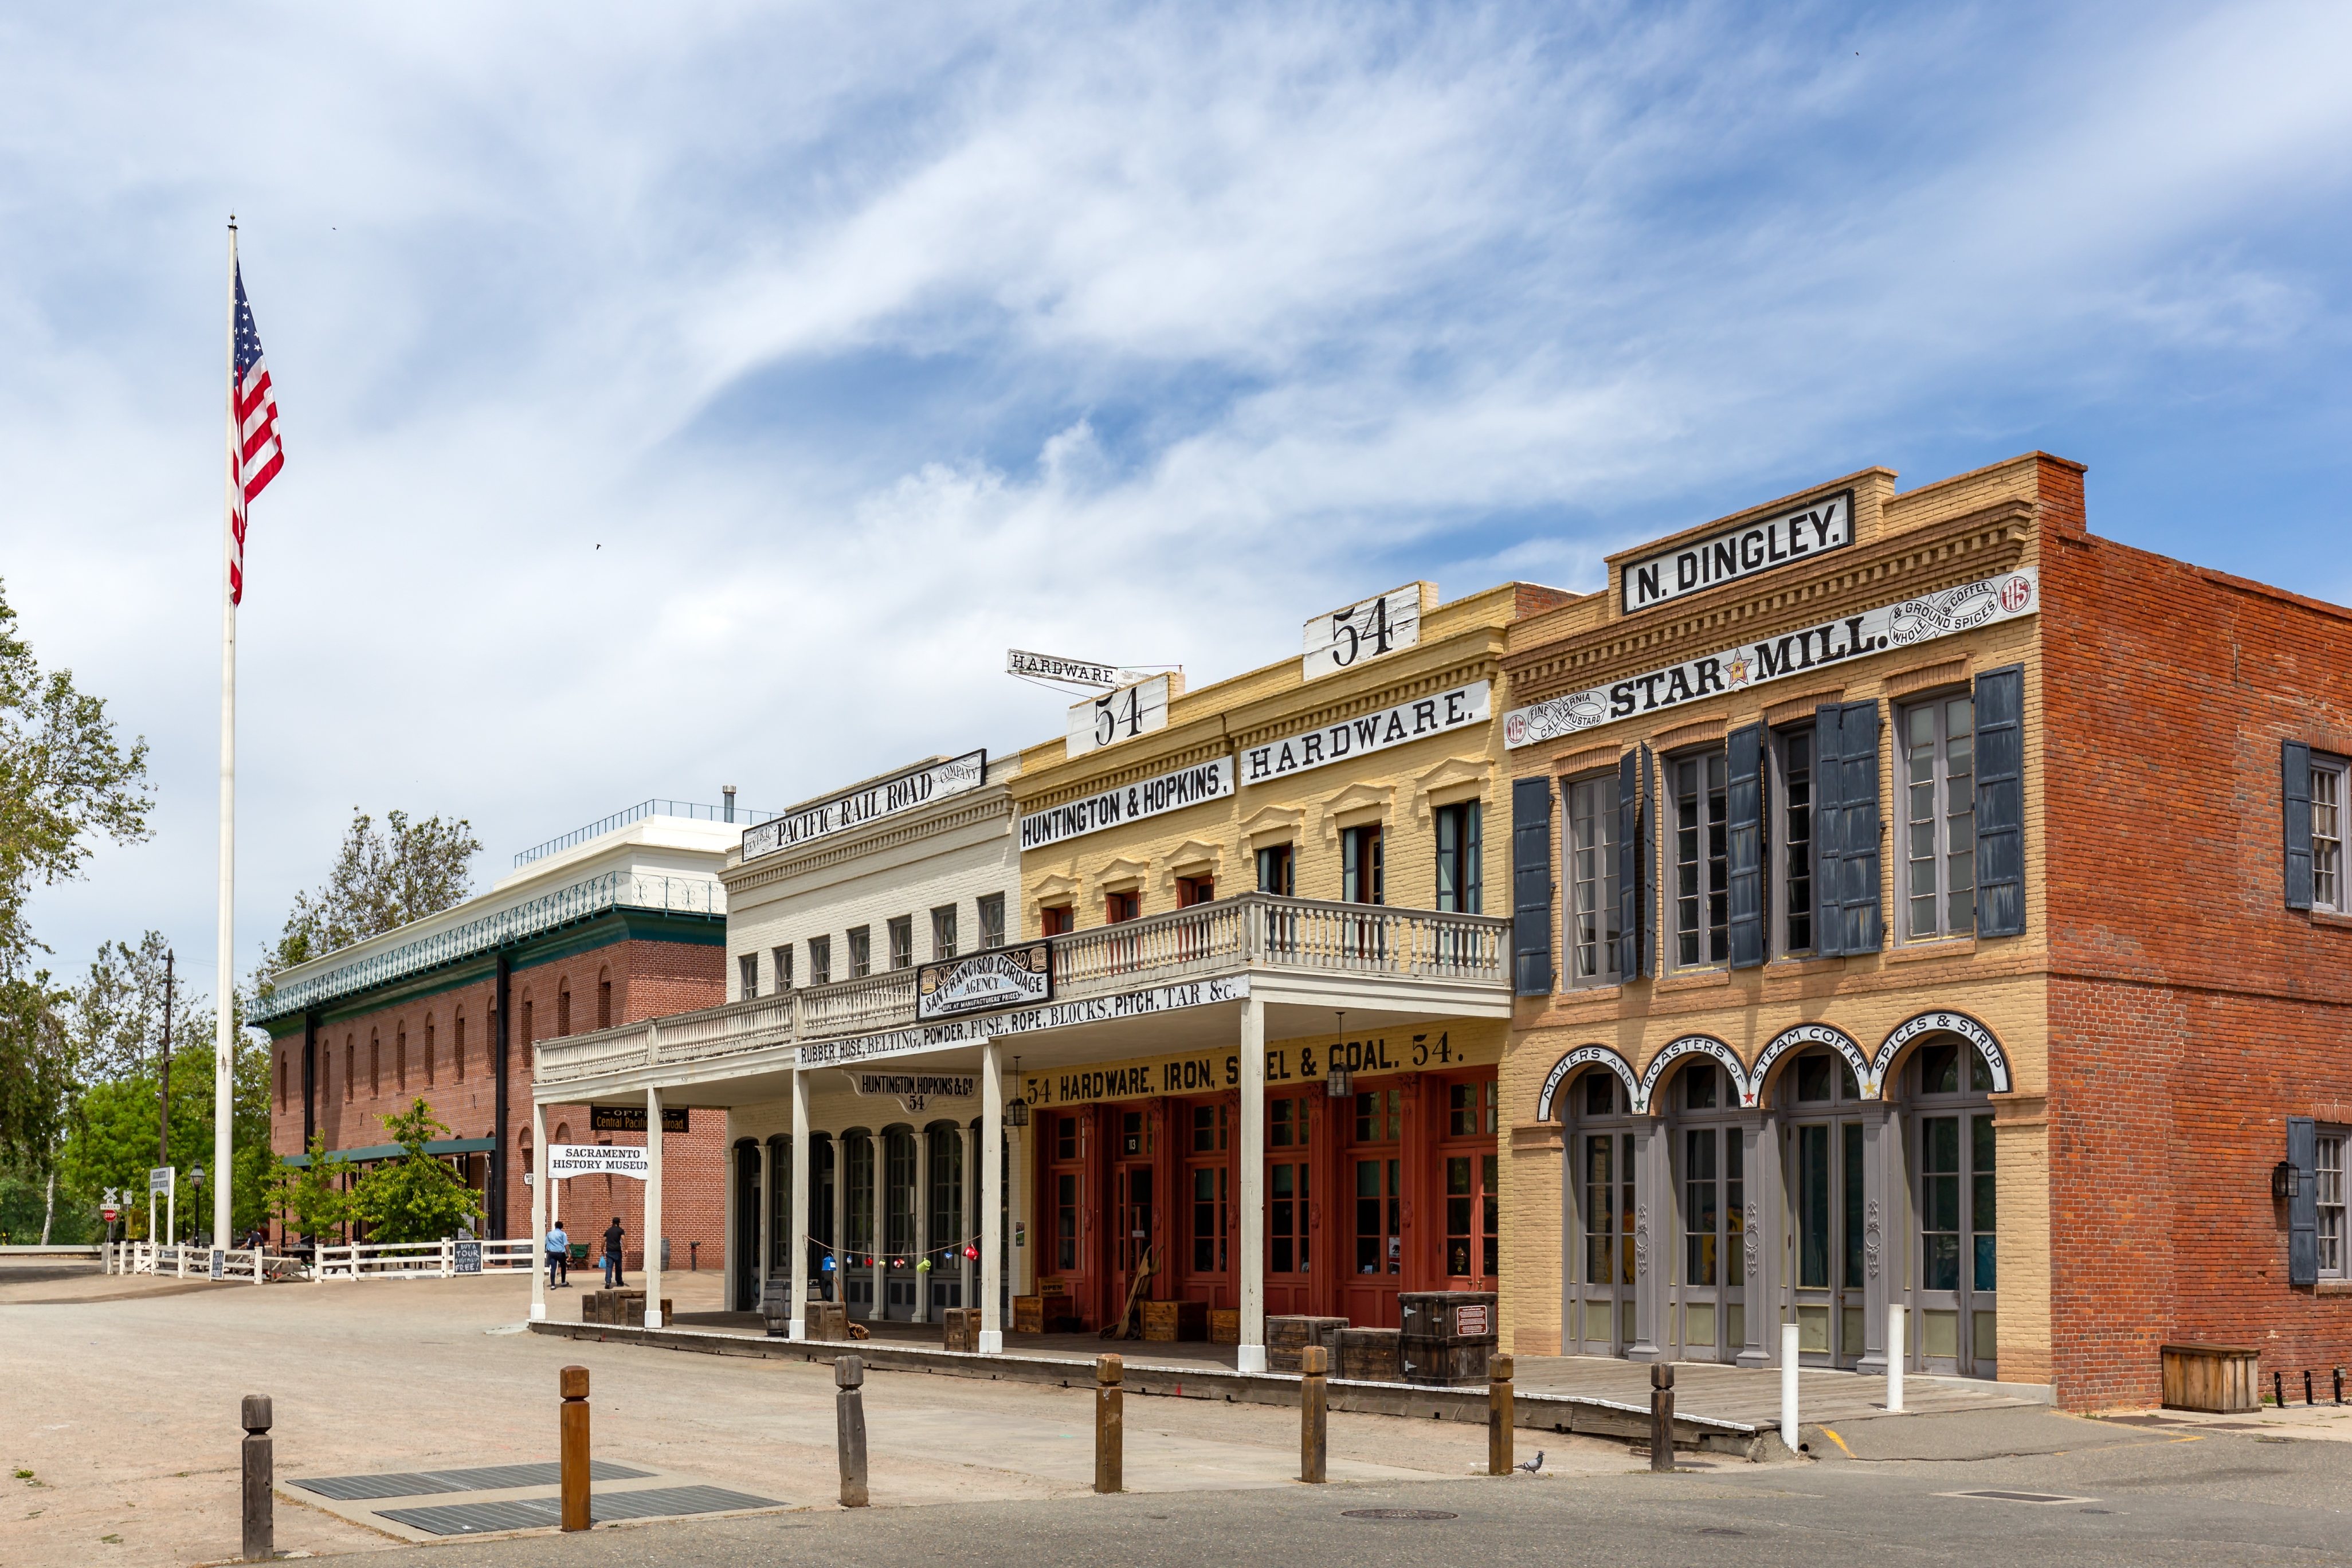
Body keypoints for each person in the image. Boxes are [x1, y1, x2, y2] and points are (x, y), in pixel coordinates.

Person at [601, 1216, 625, 1288]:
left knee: (609, 1267)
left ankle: (608, 1282)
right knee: (618, 1267)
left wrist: (602, 1249)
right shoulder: (621, 1230)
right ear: (618, 1223)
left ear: (613, 1223)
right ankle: (619, 1282)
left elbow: (604, 1241)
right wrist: (626, 1249)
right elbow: (623, 1239)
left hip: (609, 1251)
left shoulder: (608, 1231)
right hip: (617, 1251)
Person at [545, 1221, 570, 1288]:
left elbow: (546, 1242)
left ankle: (553, 1285)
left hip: (552, 1252)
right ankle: (563, 1282)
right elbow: (566, 1244)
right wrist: (569, 1254)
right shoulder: (563, 1234)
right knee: (563, 1267)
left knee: (553, 1268)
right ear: (562, 1227)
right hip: (560, 1253)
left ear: (555, 1226)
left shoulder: (549, 1234)